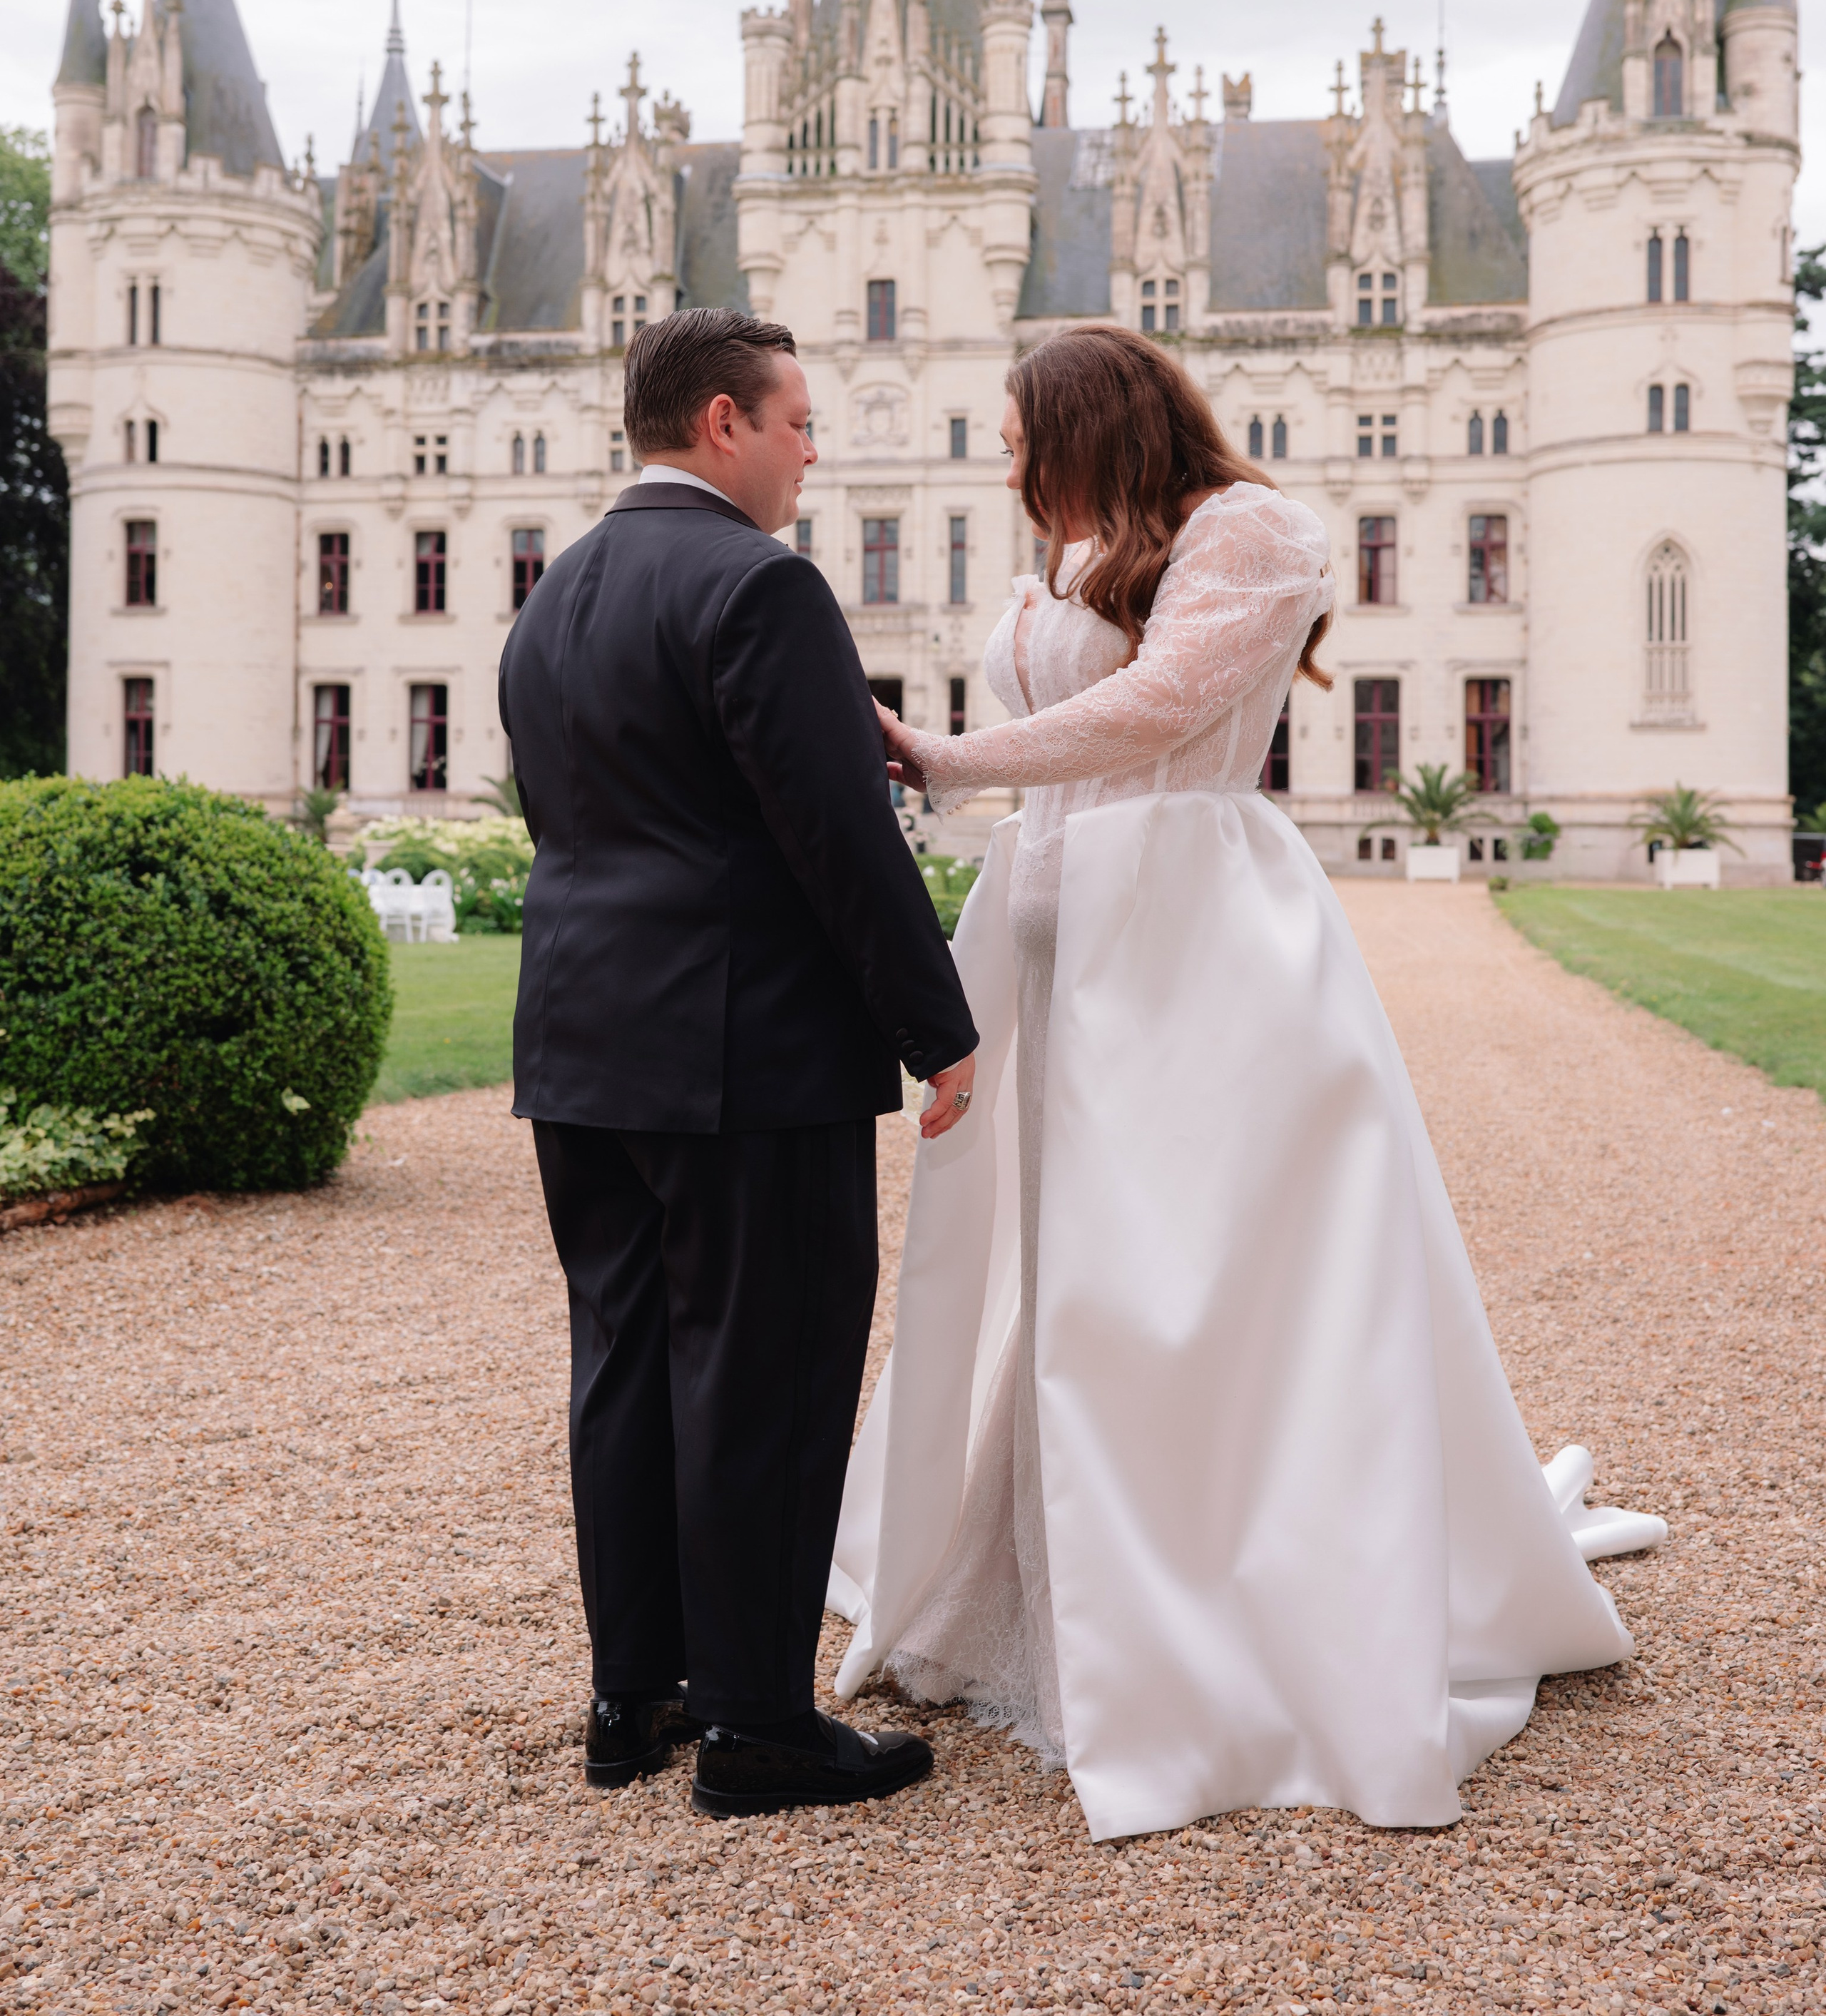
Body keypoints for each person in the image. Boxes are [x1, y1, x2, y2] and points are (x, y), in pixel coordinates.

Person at [835, 323, 1663, 1842]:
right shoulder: (1075, 558)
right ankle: (1060, 1587)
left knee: (1201, 1268)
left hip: (1194, 939)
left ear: (1096, 424)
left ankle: (1232, 1606)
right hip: (1061, 938)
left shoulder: (1252, 532)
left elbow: (1161, 707)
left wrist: (954, 757)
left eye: (1023, 435)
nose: (1008, 466)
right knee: (1068, 1271)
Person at [499, 305, 979, 1817]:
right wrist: (937, 1028)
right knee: (762, 1373)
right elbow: (833, 839)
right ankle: (759, 1724)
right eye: (793, 422)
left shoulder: (552, 597)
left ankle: (635, 1697)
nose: (810, 451)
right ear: (720, 424)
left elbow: (574, 824)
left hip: (581, 1045)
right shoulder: (760, 590)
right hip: (744, 1052)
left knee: (626, 1365)